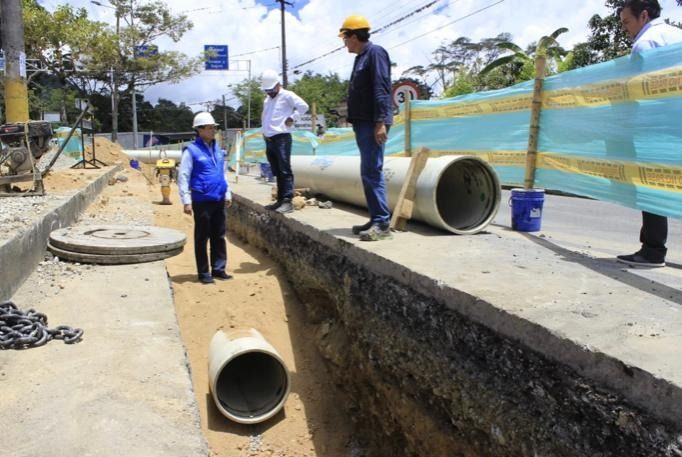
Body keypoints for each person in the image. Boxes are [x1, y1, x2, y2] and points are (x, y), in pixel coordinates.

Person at [616, 0, 682, 267]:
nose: (625, 29)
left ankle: (653, 251)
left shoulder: (646, 43)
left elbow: (639, 92)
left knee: (652, 183)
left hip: (660, 126)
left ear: (643, 15)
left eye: (626, 22)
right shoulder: (677, 34)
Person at [339, 15, 394, 241]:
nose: (344, 43)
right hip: (364, 122)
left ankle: (382, 223)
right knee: (367, 172)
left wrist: (380, 122)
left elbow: (381, 88)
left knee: (372, 171)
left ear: (354, 36)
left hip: (373, 122)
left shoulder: (375, 53)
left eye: (345, 37)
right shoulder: (361, 57)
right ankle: (376, 217)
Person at [178, 112, 233, 284]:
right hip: (202, 199)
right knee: (202, 237)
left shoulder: (217, 149)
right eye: (209, 127)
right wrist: (186, 200)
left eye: (213, 127)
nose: (213, 130)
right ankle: (204, 273)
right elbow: (183, 176)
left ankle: (219, 268)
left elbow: (222, 173)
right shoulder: (191, 151)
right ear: (199, 130)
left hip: (218, 197)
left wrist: (228, 192)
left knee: (219, 235)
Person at [260, 69, 309, 214]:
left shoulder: (287, 95)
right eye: (266, 90)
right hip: (269, 139)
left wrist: (292, 118)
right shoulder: (267, 100)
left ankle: (287, 200)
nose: (269, 92)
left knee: (284, 169)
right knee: (276, 170)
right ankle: (280, 199)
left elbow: (303, 106)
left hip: (282, 138)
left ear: (277, 85)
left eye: (270, 89)